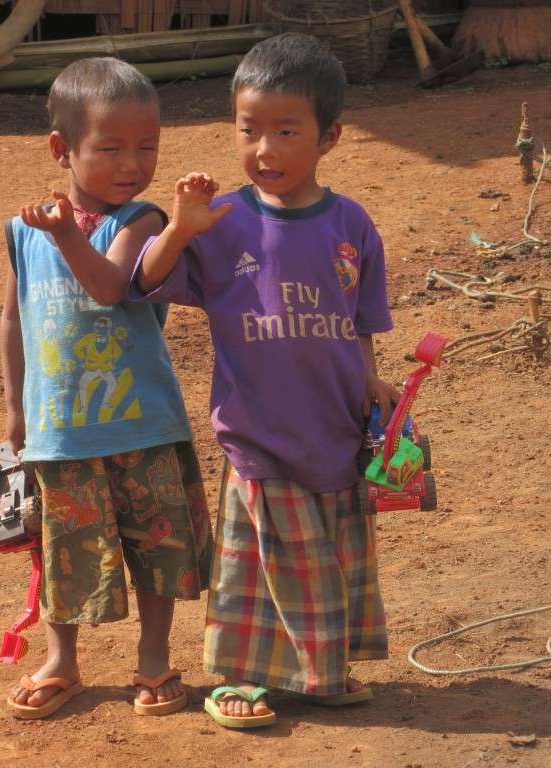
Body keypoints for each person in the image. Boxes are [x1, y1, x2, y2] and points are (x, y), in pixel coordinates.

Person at [130, 33, 399, 729]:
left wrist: (372, 380)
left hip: (334, 425)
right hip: (256, 425)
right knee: (257, 563)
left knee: (328, 552)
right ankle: (240, 676)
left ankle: (318, 671)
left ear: (330, 136)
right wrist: (182, 230)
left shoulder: (351, 224)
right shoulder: (222, 222)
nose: (265, 150)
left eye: (287, 131)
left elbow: (361, 316)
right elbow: (146, 284)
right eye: (249, 130)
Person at [0, 56, 213, 720]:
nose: (132, 163)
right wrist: (14, 405)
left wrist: (67, 233)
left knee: (156, 543)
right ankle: (62, 658)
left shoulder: (144, 220)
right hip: (61, 427)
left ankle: (153, 656)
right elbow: (14, 318)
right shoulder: (22, 232)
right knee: (63, 547)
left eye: (146, 147)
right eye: (111, 147)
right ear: (62, 149)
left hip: (142, 424)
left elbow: (111, 286)